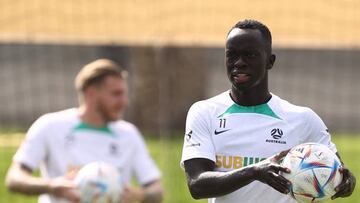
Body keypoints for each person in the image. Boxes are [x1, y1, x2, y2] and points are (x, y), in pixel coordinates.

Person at [180, 19, 356, 203]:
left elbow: (341, 174)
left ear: (270, 61)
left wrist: (346, 182)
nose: (239, 62)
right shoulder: (204, 112)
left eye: (250, 55)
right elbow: (197, 185)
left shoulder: (303, 119)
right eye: (231, 55)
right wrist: (254, 172)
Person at [6, 59, 164, 203]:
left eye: (124, 94)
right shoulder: (49, 125)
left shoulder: (129, 134)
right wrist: (52, 186)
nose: (124, 102)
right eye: (116, 94)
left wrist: (139, 195)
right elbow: (14, 178)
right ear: (91, 93)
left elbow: (157, 191)